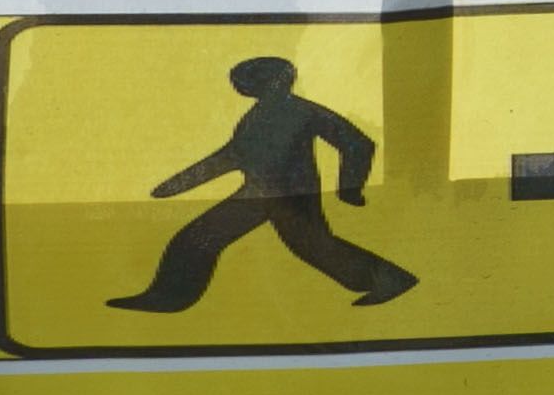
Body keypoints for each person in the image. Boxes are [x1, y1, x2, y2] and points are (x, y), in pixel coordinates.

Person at [109, 56, 413, 313]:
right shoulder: (257, 117)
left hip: (290, 195)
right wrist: (177, 184)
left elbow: (357, 144)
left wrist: (350, 189)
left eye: (246, 80)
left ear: (274, 81)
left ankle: (389, 279)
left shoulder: (302, 111)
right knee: (199, 239)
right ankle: (169, 296)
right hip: (260, 193)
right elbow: (231, 156)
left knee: (312, 246)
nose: (239, 85)